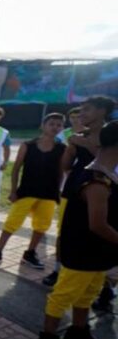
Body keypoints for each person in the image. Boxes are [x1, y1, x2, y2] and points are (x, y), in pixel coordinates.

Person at [37, 121, 118, 339]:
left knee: (88, 291)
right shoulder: (97, 180)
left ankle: (78, 331)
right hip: (83, 249)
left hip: (98, 250)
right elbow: (97, 225)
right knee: (63, 295)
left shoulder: (106, 173)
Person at [0, 113, 66, 269]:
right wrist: (13, 191)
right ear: (43, 126)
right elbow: (16, 169)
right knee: (12, 223)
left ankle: (30, 253)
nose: (55, 127)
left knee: (41, 226)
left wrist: (58, 192)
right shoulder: (28, 145)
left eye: (59, 125)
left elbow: (61, 172)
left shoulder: (62, 149)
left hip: (49, 194)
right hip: (26, 191)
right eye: (52, 123)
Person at [44, 96, 115, 286]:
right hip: (75, 190)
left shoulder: (112, 135)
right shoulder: (78, 137)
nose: (81, 114)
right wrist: (71, 149)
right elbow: (66, 166)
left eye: (87, 109)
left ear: (102, 111)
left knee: (102, 231)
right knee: (66, 232)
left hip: (104, 191)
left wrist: (86, 145)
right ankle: (59, 269)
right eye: (80, 110)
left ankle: (106, 282)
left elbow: (108, 162)